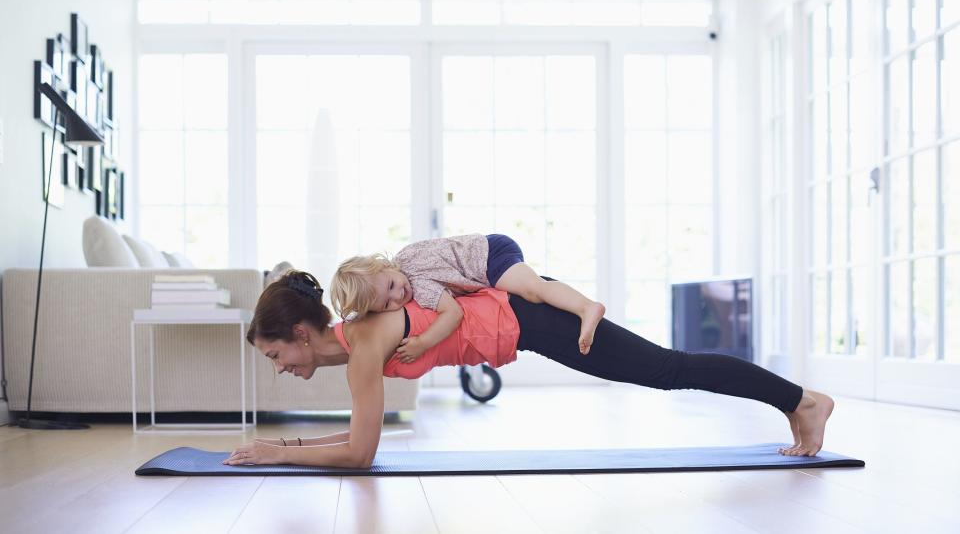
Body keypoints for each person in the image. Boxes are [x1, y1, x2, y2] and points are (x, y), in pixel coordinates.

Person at [225, 270, 834, 468]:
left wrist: (279, 452)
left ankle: (802, 400)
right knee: (668, 368)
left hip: (531, 320)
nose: (279, 369)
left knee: (668, 369)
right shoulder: (358, 343)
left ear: (301, 334)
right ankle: (794, 402)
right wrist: (289, 442)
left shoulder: (360, 348)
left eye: (277, 355)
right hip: (523, 325)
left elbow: (360, 454)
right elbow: (363, 440)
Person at [329, 233, 606, 359]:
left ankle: (586, 308)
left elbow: (453, 313)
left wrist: (423, 343)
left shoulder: (418, 283)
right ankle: (584, 307)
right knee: (532, 291)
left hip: (490, 256)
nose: (398, 295)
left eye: (391, 284)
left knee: (534, 290)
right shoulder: (407, 259)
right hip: (489, 248)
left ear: (385, 265)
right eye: (387, 303)